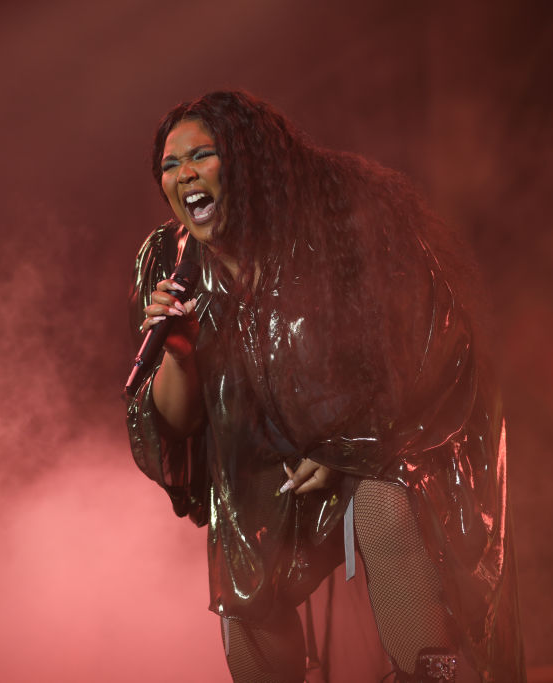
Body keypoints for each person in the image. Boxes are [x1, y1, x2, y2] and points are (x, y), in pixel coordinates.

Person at [124, 91, 524, 682]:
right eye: (169, 165)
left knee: (384, 507)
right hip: (257, 478)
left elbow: (429, 349)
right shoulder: (169, 259)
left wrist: (348, 450)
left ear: (248, 161)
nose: (184, 175)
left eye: (202, 156)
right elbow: (174, 428)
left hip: (379, 448)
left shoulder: (336, 232)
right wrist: (179, 353)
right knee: (248, 594)